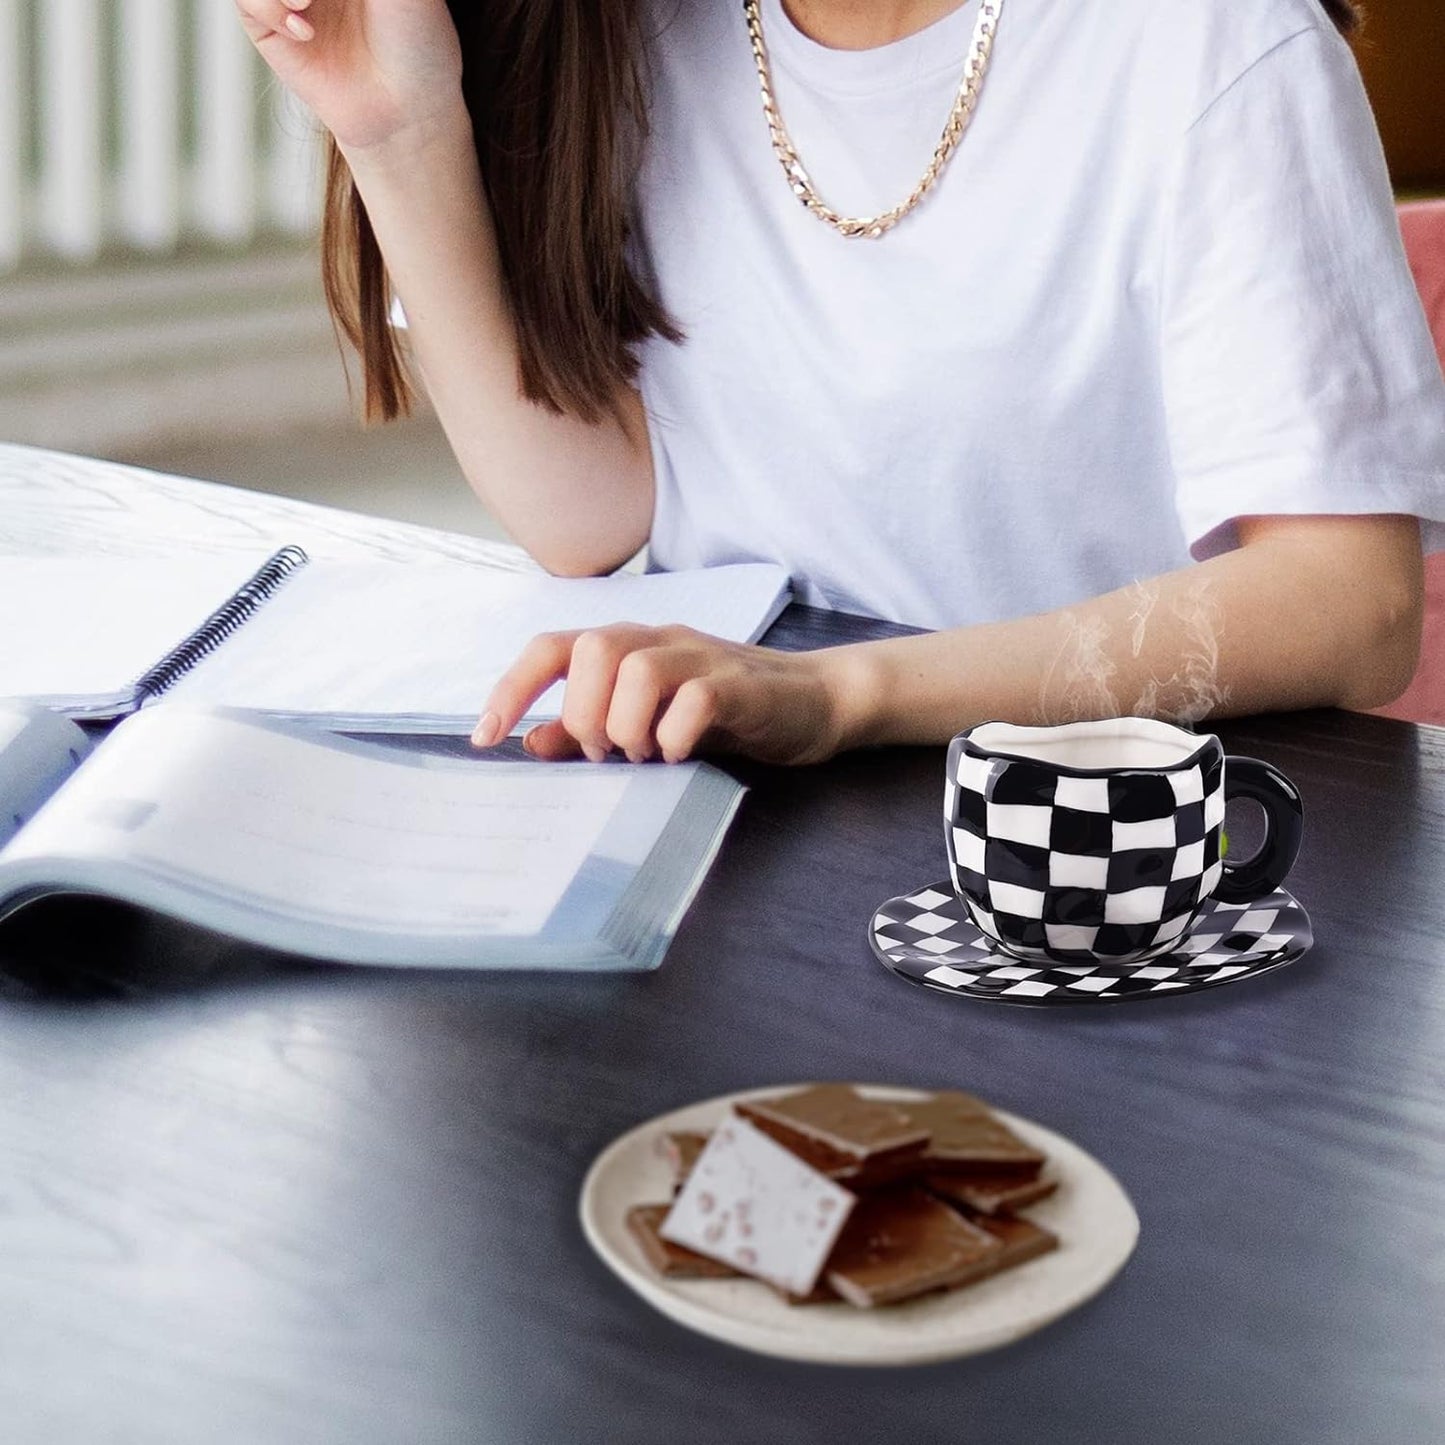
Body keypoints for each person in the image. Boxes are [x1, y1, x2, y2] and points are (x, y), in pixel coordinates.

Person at [237, 0, 1445, 765]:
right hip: (713, 808)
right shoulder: (615, 37)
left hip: (1079, 852)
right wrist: (394, 132)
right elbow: (593, 517)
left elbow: (1350, 605)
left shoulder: (1208, 42)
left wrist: (839, 694)